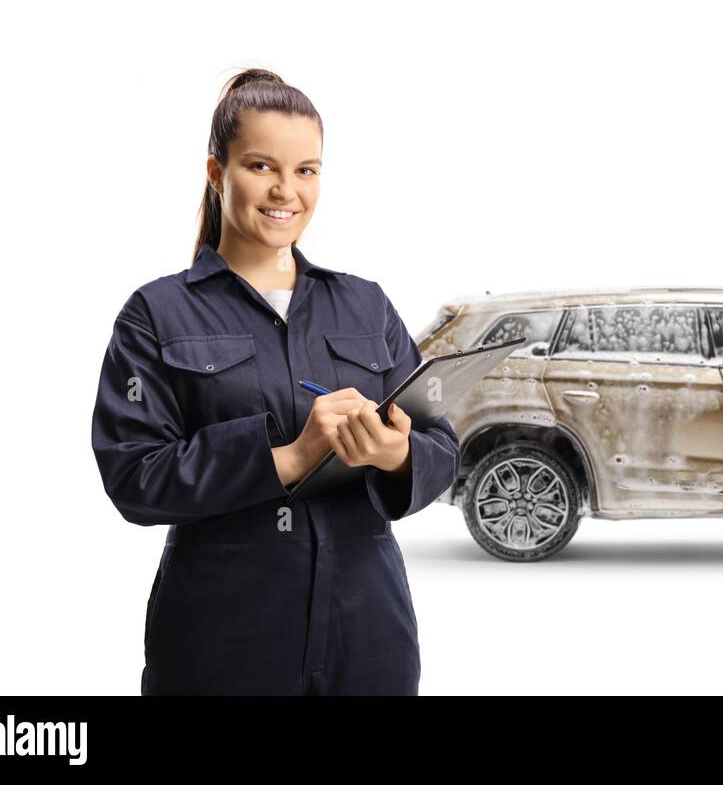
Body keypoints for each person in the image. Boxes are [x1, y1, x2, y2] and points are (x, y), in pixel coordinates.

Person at [90, 68, 460, 693]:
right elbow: (134, 475)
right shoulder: (156, 315)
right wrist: (288, 458)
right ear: (217, 173)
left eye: (306, 170)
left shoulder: (366, 307)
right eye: (261, 166)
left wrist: (396, 454)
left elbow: (443, 448)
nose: (286, 190)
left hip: (368, 635)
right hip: (222, 640)